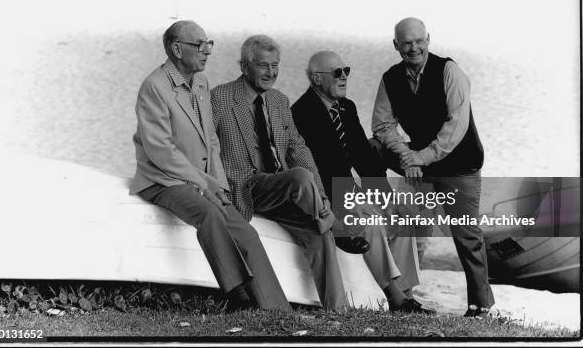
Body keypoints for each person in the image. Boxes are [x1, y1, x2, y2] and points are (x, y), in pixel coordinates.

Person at [129, 21, 291, 312]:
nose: (207, 52)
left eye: (209, 45)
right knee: (209, 214)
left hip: (201, 181)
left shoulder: (201, 83)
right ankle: (237, 295)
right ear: (177, 49)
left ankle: (276, 309)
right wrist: (205, 185)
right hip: (163, 180)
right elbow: (161, 152)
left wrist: (219, 185)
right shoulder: (154, 87)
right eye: (199, 46)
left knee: (247, 233)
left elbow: (211, 142)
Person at [211, 35, 368, 310]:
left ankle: (337, 310)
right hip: (244, 186)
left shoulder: (279, 101)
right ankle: (337, 225)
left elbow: (299, 149)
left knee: (318, 233)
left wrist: (321, 195)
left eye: (276, 65)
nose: (271, 72)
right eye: (263, 65)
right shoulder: (220, 98)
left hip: (278, 188)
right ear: (245, 66)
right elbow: (206, 145)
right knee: (300, 177)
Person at [291, 50, 434, 314]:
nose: (344, 77)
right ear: (316, 79)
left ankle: (406, 291)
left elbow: (364, 159)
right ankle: (395, 298)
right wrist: (355, 204)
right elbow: (321, 171)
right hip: (324, 193)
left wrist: (385, 198)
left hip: (347, 188)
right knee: (370, 222)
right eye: (337, 73)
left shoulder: (346, 107)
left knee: (401, 216)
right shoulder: (301, 113)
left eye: (347, 70)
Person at [370, 17, 494, 317]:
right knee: (373, 150)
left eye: (419, 41)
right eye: (406, 43)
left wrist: (421, 158)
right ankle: (402, 296)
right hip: (420, 164)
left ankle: (481, 305)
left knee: (466, 235)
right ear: (396, 45)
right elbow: (382, 124)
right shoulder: (391, 78)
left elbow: (456, 125)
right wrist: (405, 156)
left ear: (428, 39)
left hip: (459, 164)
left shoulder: (450, 71)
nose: (414, 48)